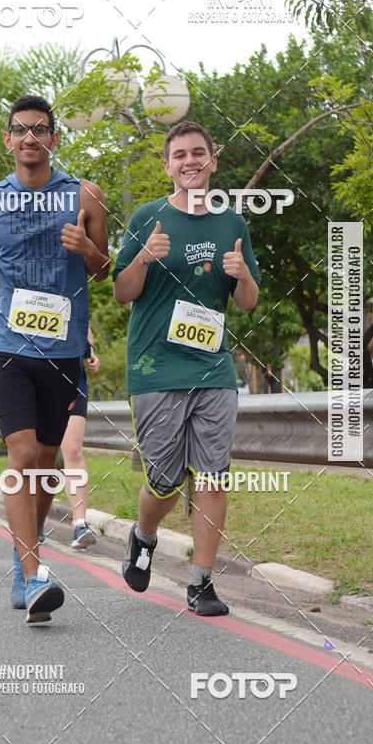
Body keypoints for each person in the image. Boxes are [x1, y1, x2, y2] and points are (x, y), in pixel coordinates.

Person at [0, 94, 109, 624]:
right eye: (20, 130)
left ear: (54, 139)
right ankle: (32, 573)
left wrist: (86, 250)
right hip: (8, 347)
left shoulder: (85, 195)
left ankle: (30, 546)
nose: (29, 139)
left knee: (45, 465)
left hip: (63, 351)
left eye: (39, 130)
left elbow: (103, 269)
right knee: (22, 456)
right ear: (8, 140)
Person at [113, 120, 260, 616]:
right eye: (180, 155)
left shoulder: (232, 223)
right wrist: (144, 260)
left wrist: (241, 277)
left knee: (213, 477)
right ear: (167, 165)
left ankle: (201, 583)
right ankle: (144, 534)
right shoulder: (146, 217)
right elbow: (122, 292)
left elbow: (247, 302)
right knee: (165, 480)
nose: (190, 161)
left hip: (213, 369)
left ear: (213, 160)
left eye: (199, 153)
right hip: (156, 369)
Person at [60, 326, 100, 548]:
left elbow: (83, 322)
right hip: (32, 374)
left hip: (73, 378)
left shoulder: (74, 289)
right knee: (34, 451)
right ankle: (32, 521)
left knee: (73, 449)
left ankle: (79, 524)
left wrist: (90, 350)